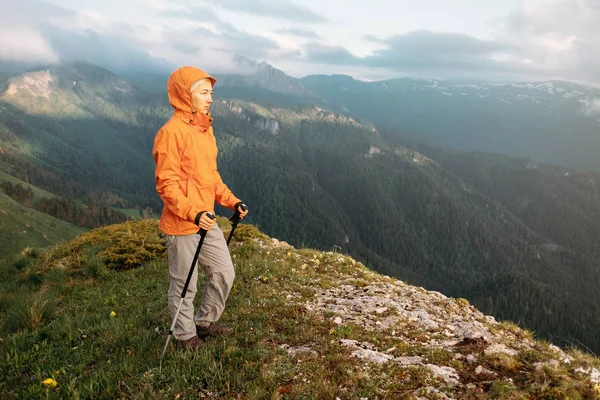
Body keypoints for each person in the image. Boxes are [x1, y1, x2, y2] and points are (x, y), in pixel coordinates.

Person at [152, 65, 248, 351]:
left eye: (211, 93)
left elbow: (210, 176)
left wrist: (232, 201)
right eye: (204, 93)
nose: (210, 99)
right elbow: (166, 185)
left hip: (207, 220)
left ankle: (204, 322)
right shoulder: (171, 133)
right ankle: (184, 337)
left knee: (224, 273)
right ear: (185, 94)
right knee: (184, 285)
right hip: (183, 224)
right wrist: (193, 212)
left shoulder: (204, 128)